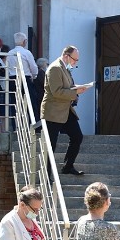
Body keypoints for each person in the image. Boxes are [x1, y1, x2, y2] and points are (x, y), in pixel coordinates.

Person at [41, 46, 90, 175]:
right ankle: (46, 174)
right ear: (67, 56)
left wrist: (78, 88)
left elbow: (68, 87)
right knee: (50, 145)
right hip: (53, 111)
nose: (76, 63)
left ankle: (68, 166)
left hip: (65, 110)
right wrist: (76, 92)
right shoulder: (55, 68)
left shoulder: (65, 68)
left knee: (77, 136)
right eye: (75, 59)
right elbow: (56, 91)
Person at [8, 32, 39, 123]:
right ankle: (33, 125)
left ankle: (15, 125)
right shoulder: (26, 52)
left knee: (15, 104)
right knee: (31, 103)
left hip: (12, 79)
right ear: (24, 41)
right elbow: (33, 67)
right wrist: (34, 76)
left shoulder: (10, 53)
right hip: (25, 79)